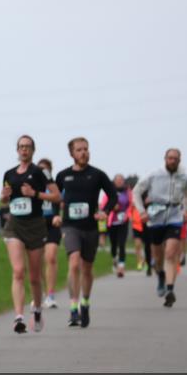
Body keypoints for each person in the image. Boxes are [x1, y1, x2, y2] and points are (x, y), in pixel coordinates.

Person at [53, 138, 117, 328]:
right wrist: (56, 215)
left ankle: (85, 303)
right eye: (79, 150)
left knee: (87, 269)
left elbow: (112, 195)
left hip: (90, 227)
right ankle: (73, 307)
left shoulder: (97, 175)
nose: (83, 153)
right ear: (72, 154)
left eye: (86, 149)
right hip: (70, 226)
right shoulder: (63, 175)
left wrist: (105, 211)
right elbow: (55, 197)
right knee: (74, 262)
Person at [0, 135, 61, 334]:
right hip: (15, 226)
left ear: (33, 150)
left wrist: (35, 194)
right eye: (21, 147)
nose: (24, 150)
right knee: (18, 271)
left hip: (35, 226)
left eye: (28, 147)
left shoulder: (40, 172)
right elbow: (4, 200)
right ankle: (18, 316)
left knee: (35, 276)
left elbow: (57, 196)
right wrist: (3, 197)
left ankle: (36, 309)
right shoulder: (9, 173)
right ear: (17, 150)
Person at [132, 148, 187, 307]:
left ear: (179, 160)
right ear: (165, 159)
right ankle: (160, 275)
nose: (172, 161)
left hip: (174, 216)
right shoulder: (154, 174)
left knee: (171, 253)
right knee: (158, 257)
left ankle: (170, 289)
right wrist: (141, 212)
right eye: (170, 158)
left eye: (175, 158)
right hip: (155, 217)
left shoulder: (183, 177)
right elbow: (136, 191)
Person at [37, 158, 61, 309]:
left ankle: (50, 294)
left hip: (52, 224)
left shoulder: (55, 187)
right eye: (40, 170)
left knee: (50, 257)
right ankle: (38, 294)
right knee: (36, 261)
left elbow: (62, 200)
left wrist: (59, 215)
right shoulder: (32, 186)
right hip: (36, 225)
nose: (42, 172)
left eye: (45, 170)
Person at [104, 174, 132, 278]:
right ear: (114, 181)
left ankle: (121, 267)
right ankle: (114, 258)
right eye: (118, 180)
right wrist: (112, 207)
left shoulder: (127, 191)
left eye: (121, 180)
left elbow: (131, 204)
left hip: (123, 221)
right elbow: (103, 205)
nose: (120, 182)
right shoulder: (109, 191)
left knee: (122, 244)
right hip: (112, 222)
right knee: (114, 245)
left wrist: (127, 214)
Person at [131, 199, 152, 275]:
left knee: (148, 245)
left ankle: (147, 262)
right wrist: (131, 216)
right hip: (136, 225)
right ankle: (139, 262)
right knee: (137, 245)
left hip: (146, 224)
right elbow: (130, 208)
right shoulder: (135, 195)